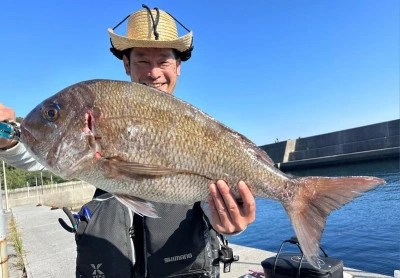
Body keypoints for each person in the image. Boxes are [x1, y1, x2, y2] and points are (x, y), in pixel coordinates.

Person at [0, 5, 256, 277]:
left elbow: (212, 200)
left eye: (164, 61)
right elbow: (46, 158)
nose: (154, 73)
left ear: (178, 66)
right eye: (143, 61)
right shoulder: (97, 135)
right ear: (126, 64)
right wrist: (9, 142)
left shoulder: (200, 131)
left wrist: (231, 222)